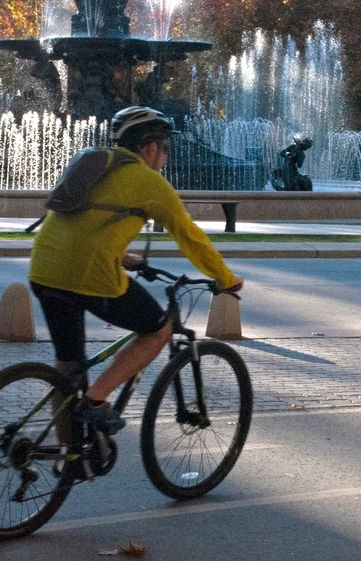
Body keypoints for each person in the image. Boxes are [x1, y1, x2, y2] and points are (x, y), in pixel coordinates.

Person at [28, 106, 244, 434]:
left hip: (43, 267)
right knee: (158, 330)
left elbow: (86, 224)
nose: (166, 157)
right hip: (87, 274)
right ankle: (96, 400)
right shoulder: (148, 180)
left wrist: (125, 257)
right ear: (150, 148)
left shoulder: (95, 161)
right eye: (165, 148)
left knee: (68, 367)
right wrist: (226, 279)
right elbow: (190, 237)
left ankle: (67, 454)